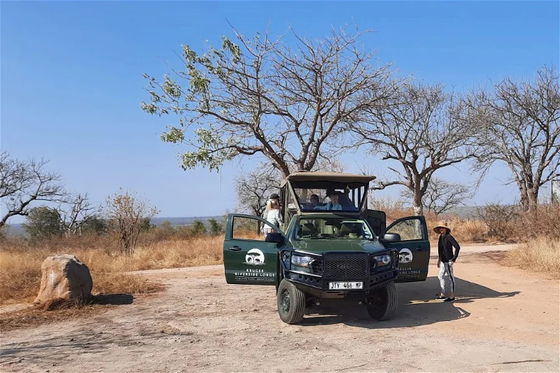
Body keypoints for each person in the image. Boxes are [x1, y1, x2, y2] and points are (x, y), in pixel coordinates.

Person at [434, 222, 461, 302]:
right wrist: (439, 260)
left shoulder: (449, 237)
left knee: (451, 277)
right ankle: (443, 293)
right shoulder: (441, 237)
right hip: (443, 261)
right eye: (440, 228)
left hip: (448, 261)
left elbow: (457, 247)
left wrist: (453, 259)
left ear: (446, 229)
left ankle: (452, 295)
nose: (441, 229)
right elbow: (440, 249)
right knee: (440, 276)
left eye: (442, 228)